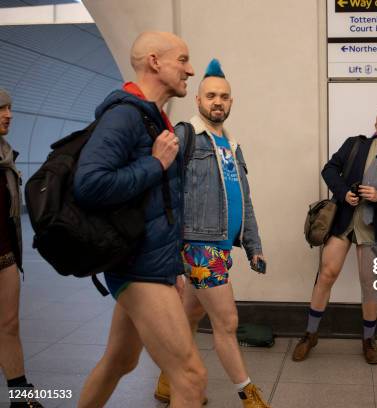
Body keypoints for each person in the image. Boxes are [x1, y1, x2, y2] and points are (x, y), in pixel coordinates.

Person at [72, 32, 208, 408]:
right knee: (191, 376)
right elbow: (89, 184)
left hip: (149, 262)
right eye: (182, 60)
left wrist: (173, 267)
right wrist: (155, 163)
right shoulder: (124, 115)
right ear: (154, 62)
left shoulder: (151, 117)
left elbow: (159, 204)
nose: (190, 70)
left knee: (120, 361)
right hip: (137, 267)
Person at [153, 59, 270, 408]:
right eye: (210, 96)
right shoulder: (185, 136)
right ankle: (249, 396)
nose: (217, 101)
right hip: (199, 246)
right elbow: (165, 192)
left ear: (231, 102)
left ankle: (166, 381)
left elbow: (243, 200)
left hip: (222, 245)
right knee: (228, 322)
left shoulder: (233, 146)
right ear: (199, 101)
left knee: (191, 315)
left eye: (224, 96)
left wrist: (253, 245)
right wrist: (171, 251)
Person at [292, 106, 377, 365]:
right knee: (326, 274)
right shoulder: (355, 145)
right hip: (344, 222)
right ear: (376, 126)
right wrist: (344, 191)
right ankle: (310, 334)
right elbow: (329, 170)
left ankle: (368, 340)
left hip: (372, 228)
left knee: (370, 284)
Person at [0, 89, 44, 408]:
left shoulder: (6, 156)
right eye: (1, 108)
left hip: (5, 254)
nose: (9, 114)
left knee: (10, 324)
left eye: (10, 107)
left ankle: (20, 395)